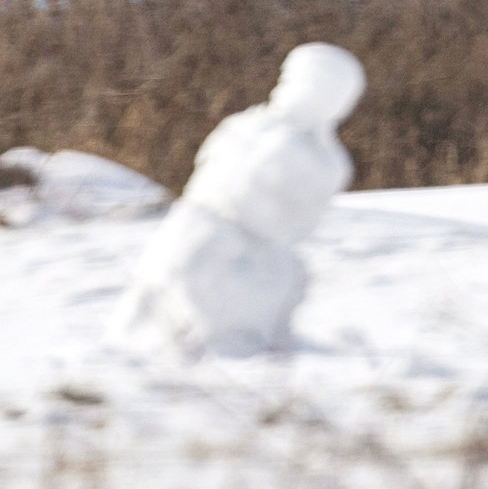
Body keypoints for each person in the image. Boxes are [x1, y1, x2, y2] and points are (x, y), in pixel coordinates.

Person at [113, 42, 365, 357]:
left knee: (221, 314)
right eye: (291, 80)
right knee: (161, 291)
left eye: (312, 86)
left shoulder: (323, 160)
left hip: (247, 251)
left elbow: (293, 224)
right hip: (192, 226)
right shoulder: (247, 125)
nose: (293, 90)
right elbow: (205, 177)